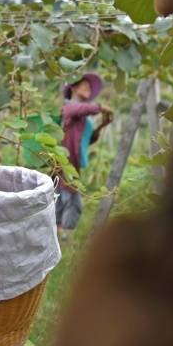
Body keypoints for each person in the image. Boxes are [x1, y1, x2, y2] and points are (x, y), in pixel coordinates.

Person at [57, 72, 113, 241]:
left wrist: (102, 124)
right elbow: (83, 108)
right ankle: (67, 238)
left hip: (73, 163)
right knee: (74, 200)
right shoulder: (69, 107)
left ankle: (58, 234)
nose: (88, 87)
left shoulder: (82, 116)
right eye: (84, 84)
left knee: (61, 197)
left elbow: (86, 141)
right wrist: (102, 107)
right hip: (66, 161)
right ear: (73, 87)